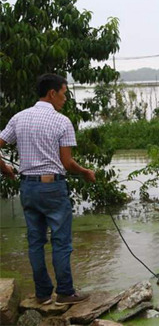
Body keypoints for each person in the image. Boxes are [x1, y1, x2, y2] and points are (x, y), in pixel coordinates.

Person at [0, 74, 96, 306]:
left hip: (28, 187)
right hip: (52, 187)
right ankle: (65, 292)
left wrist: (4, 170)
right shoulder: (62, 122)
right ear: (52, 93)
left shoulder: (19, 118)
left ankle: (43, 294)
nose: (64, 99)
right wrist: (84, 172)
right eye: (63, 93)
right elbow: (66, 163)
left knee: (35, 242)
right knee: (61, 242)